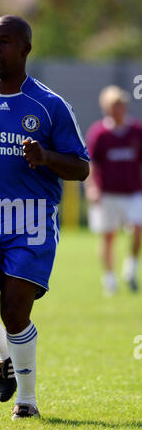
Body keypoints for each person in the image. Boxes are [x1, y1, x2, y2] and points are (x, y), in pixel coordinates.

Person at [0, 15, 89, 419]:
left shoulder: (50, 106)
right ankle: (5, 353)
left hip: (32, 222)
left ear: (25, 49)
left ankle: (27, 402)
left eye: (4, 42)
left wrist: (46, 157)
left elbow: (81, 167)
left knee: (14, 310)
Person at [85, 85, 142, 296]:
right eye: (112, 105)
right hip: (108, 193)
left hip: (133, 192)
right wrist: (92, 188)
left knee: (137, 229)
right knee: (108, 237)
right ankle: (109, 279)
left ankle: (131, 269)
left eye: (120, 105)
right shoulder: (99, 133)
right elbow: (91, 163)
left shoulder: (136, 131)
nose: (117, 109)